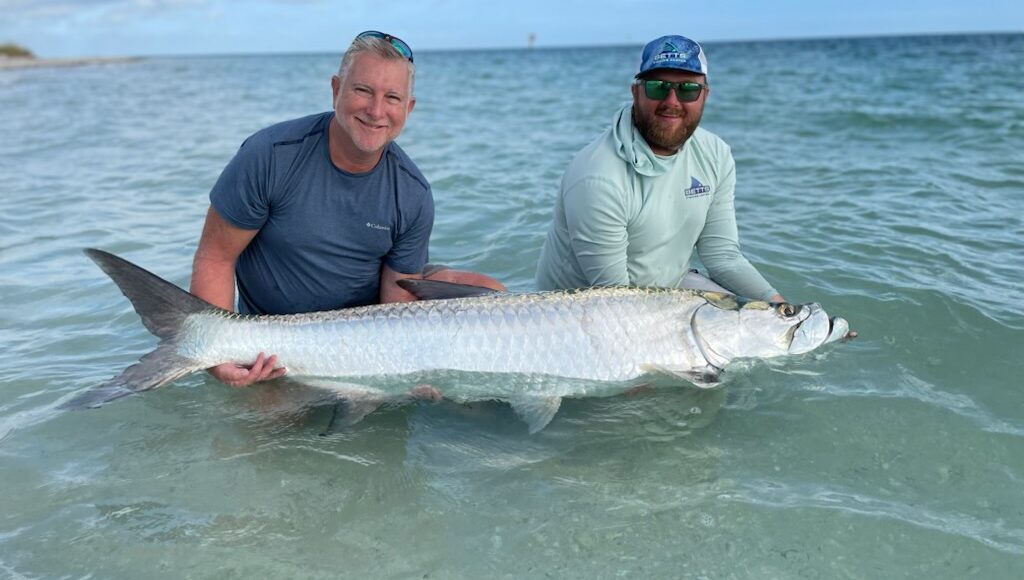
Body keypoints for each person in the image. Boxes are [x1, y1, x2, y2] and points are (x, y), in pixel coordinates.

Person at [190, 30, 504, 389]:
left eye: (392, 97)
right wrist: (216, 356)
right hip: (277, 335)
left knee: (489, 297)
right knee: (274, 425)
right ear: (336, 89)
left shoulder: (413, 193)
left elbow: (395, 308)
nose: (375, 110)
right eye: (363, 91)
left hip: (362, 325)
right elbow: (215, 257)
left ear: (408, 109)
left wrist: (414, 375)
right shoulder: (270, 155)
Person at [535, 34, 785, 304]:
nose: (672, 101)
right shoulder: (597, 177)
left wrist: (780, 308)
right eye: (657, 87)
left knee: (772, 329)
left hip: (666, 287)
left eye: (688, 89)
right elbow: (616, 299)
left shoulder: (716, 154)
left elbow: (722, 256)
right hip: (581, 312)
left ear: (705, 95)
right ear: (636, 92)